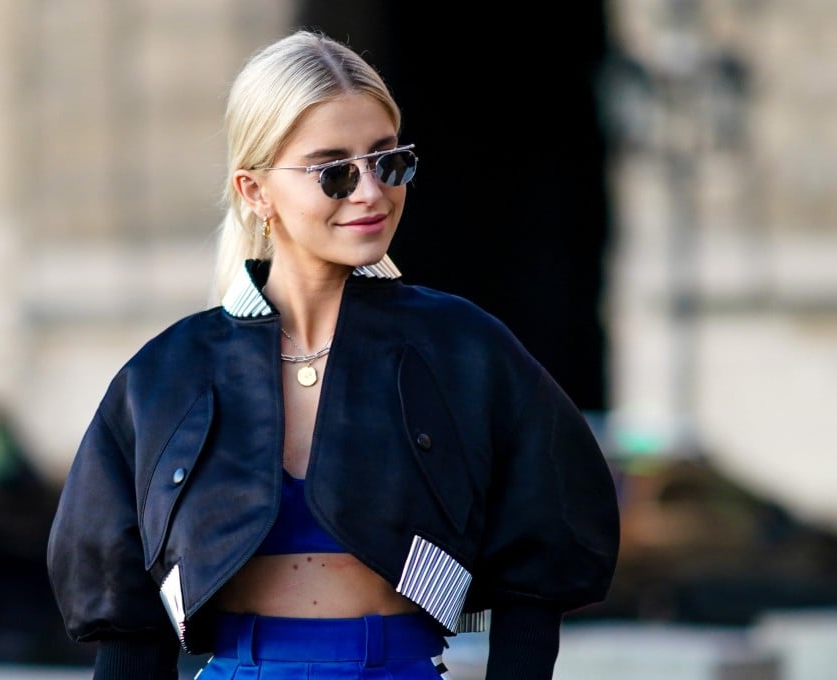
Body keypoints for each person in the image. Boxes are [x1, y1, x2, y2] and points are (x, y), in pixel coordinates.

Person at [46, 29, 620, 680]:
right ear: (255, 190)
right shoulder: (167, 376)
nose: (372, 193)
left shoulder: (465, 351)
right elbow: (129, 623)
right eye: (335, 172)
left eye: (389, 161)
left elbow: (536, 576)